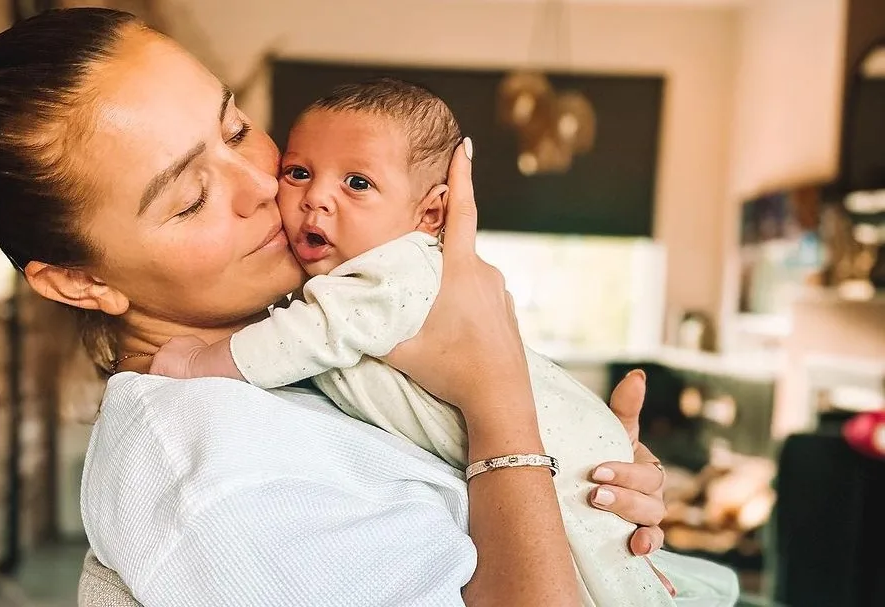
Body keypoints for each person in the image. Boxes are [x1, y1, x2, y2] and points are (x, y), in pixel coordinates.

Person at [0, 8, 674, 607]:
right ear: (79, 282)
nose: (263, 184)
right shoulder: (211, 475)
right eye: (191, 198)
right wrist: (501, 403)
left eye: (236, 128)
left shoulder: (306, 363)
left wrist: (576, 484)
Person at [149, 78, 737, 606]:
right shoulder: (350, 284)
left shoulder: (394, 272)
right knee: (606, 565)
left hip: (561, 452)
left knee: (608, 572)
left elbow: (309, 336)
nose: (315, 198)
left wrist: (200, 362)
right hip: (547, 452)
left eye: (357, 183)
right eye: (299, 173)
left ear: (431, 214)